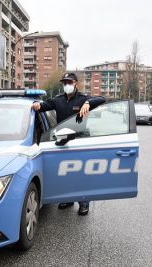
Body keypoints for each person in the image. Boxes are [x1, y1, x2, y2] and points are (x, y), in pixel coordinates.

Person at [32, 72, 105, 215]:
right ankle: (68, 199)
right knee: (65, 173)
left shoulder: (83, 98)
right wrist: (37, 105)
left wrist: (89, 103)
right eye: (64, 83)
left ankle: (84, 202)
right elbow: (45, 105)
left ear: (75, 83)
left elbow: (102, 99)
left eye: (69, 82)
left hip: (79, 141)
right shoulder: (58, 100)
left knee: (81, 174)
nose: (66, 85)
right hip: (63, 141)